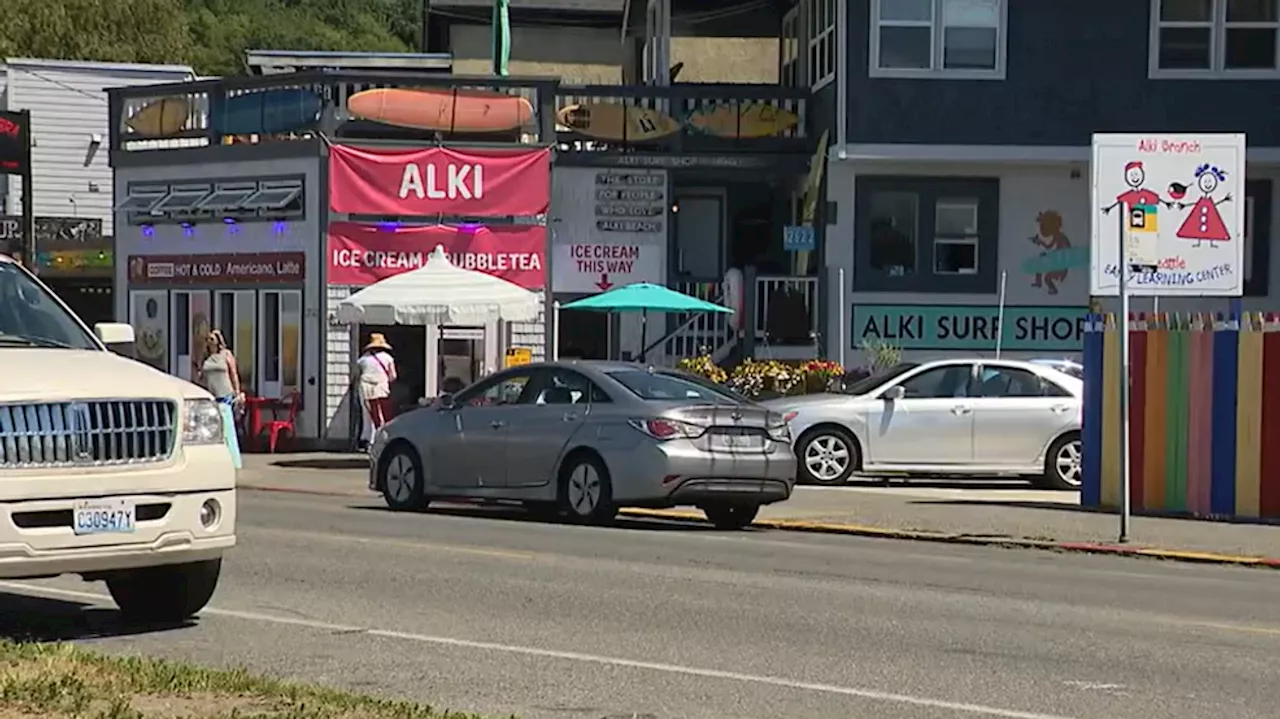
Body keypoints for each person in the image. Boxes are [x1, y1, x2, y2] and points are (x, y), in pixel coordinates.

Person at [196, 329, 243, 469]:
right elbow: (200, 375)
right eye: (208, 339)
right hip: (211, 395)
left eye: (212, 339)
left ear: (218, 340)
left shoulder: (225, 355)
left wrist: (237, 392)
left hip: (225, 394)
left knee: (227, 426)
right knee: (212, 428)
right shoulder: (206, 357)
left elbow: (233, 373)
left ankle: (234, 460)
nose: (209, 342)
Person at [354, 333, 397, 447]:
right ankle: (378, 438)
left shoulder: (362, 359)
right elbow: (393, 376)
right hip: (381, 387)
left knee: (366, 414)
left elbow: (356, 376)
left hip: (365, 386)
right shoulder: (388, 358)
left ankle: (366, 438)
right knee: (380, 413)